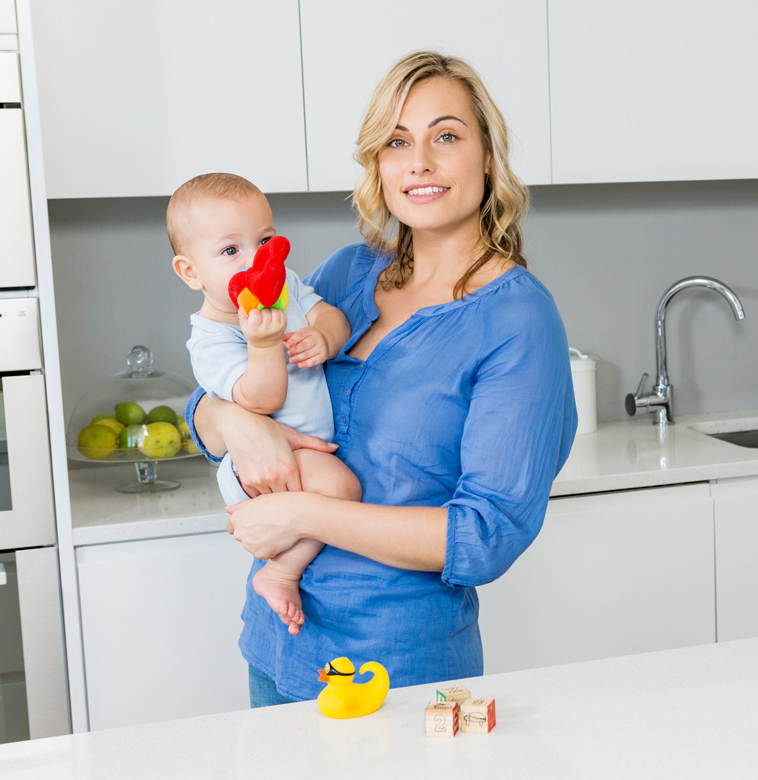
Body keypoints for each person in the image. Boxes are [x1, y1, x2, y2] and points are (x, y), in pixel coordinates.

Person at [185, 51, 577, 706]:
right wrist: (231, 421)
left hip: (394, 671)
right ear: (378, 162)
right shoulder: (346, 274)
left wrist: (301, 511)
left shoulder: (517, 318)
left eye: (445, 136)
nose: (419, 160)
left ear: (487, 156)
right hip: (276, 648)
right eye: (398, 141)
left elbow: (484, 537)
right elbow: (214, 387)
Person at [169, 173, 361, 637]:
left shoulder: (286, 285)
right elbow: (260, 398)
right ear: (191, 272)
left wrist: (325, 337)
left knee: (336, 489)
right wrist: (263, 345)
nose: (256, 260)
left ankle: (284, 563)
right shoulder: (210, 340)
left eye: (265, 240)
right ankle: (281, 572)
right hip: (261, 467)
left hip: (302, 451)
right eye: (231, 251)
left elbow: (329, 314)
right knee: (343, 490)